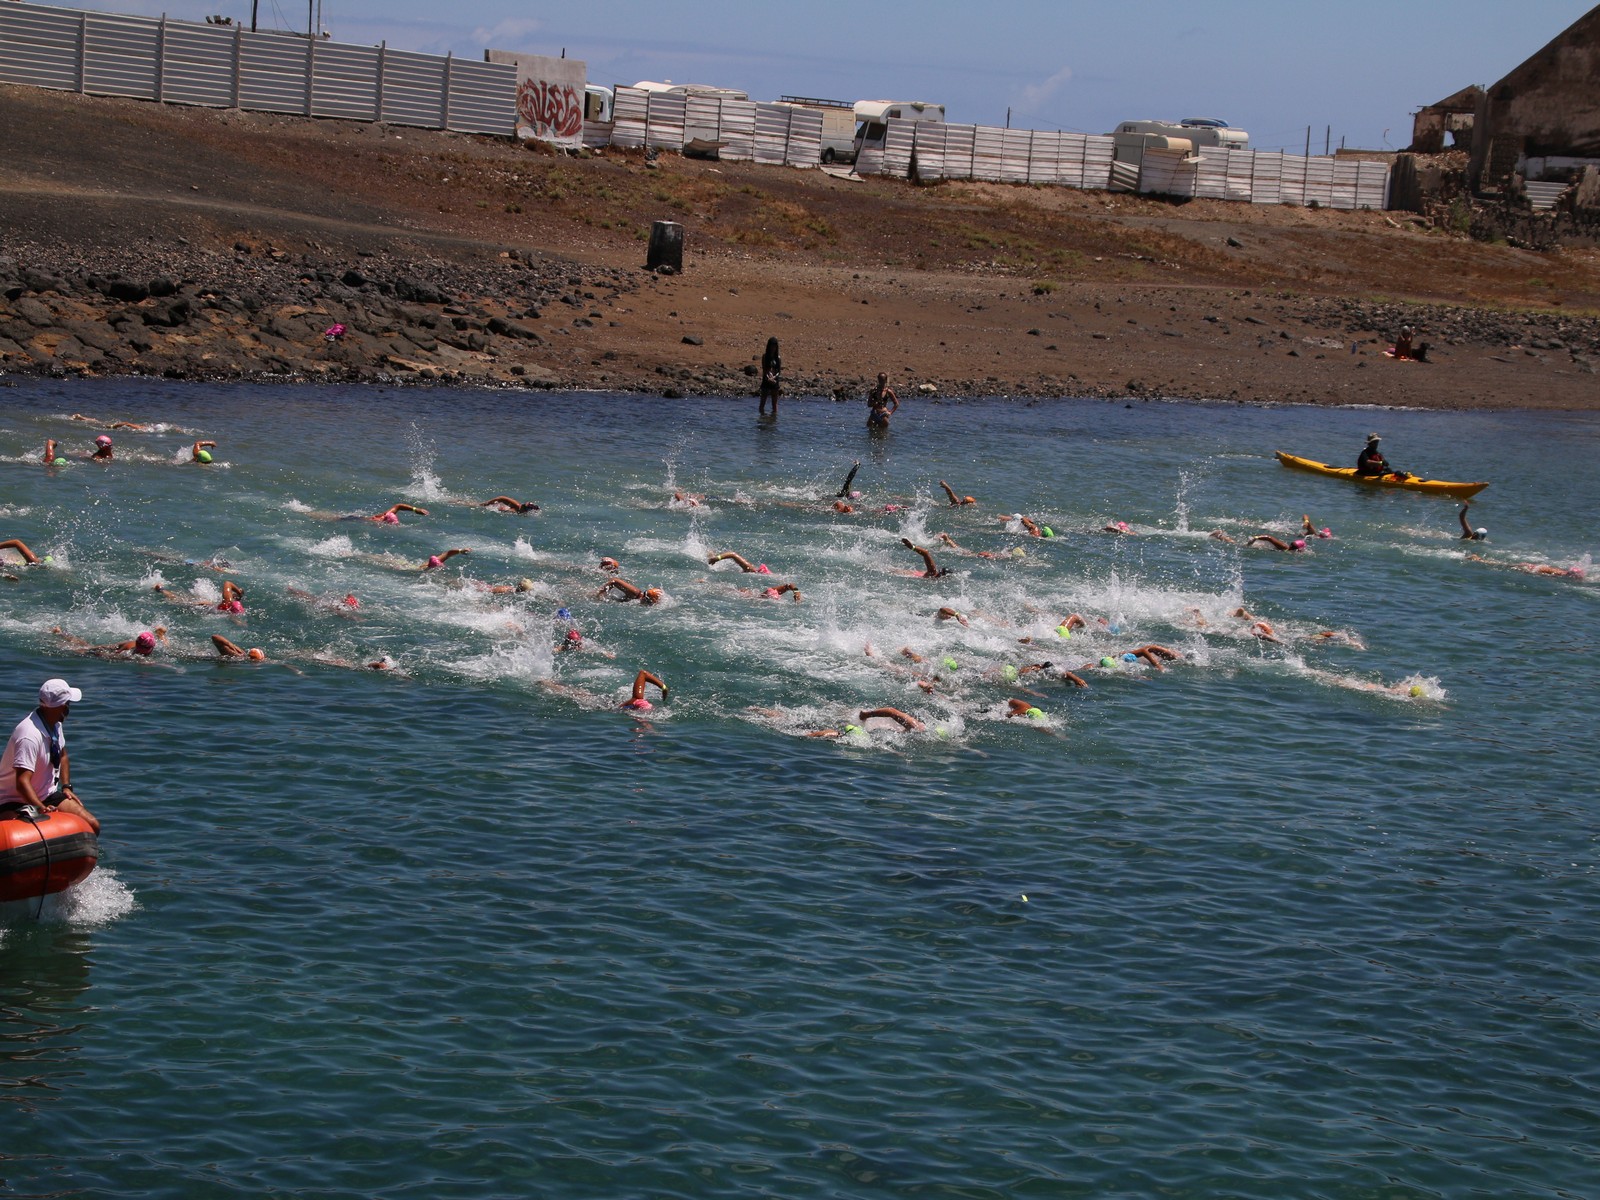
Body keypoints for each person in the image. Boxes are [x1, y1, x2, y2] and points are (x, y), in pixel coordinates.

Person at [0, 679, 98, 833]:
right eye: (68, 703)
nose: (69, 707)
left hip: (47, 794)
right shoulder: (29, 735)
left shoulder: (55, 725)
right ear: (62, 706)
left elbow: (63, 756)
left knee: (92, 825)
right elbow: (22, 782)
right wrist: (40, 807)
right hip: (13, 799)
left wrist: (66, 786)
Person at [52, 626, 167, 658]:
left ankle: (60, 632)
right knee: (89, 648)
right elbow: (105, 655)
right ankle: (61, 633)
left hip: (128, 643)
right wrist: (83, 653)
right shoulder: (126, 654)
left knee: (90, 646)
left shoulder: (141, 644)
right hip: (121, 648)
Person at [758, 337, 782, 416]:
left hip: (774, 380)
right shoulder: (765, 357)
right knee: (762, 403)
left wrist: (774, 377)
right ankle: (762, 418)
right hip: (766, 380)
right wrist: (768, 377)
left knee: (774, 404)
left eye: (774, 346)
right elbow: (764, 369)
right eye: (771, 346)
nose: (773, 348)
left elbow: (778, 371)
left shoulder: (778, 358)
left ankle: (773, 419)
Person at [596, 577, 663, 604]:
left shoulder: (637, 601)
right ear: (646, 599)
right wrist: (598, 595)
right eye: (650, 603)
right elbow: (614, 581)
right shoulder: (635, 593)